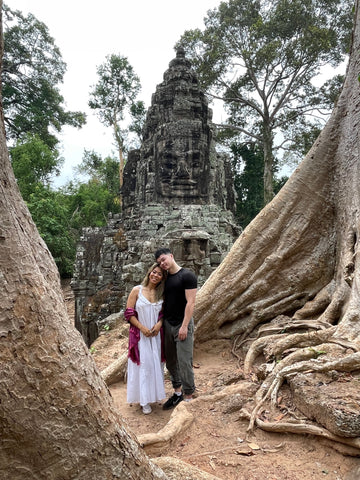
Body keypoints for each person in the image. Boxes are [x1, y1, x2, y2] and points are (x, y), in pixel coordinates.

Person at [155, 247, 197, 409]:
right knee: (171, 361)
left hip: (182, 323)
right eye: (159, 262)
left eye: (164, 259)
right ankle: (177, 392)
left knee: (185, 361)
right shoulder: (164, 278)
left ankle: (188, 394)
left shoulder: (187, 276)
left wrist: (185, 326)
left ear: (171, 256)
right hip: (167, 324)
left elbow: (191, 302)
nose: (162, 263)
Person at [124, 263, 166, 415]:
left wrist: (158, 325)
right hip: (140, 335)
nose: (155, 275)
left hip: (155, 335)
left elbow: (163, 314)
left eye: (159, 274)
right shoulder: (137, 290)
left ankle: (153, 395)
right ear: (149, 273)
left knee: (155, 364)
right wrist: (142, 328)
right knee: (144, 366)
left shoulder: (161, 294)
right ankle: (143, 400)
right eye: (154, 272)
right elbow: (129, 314)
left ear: (162, 278)